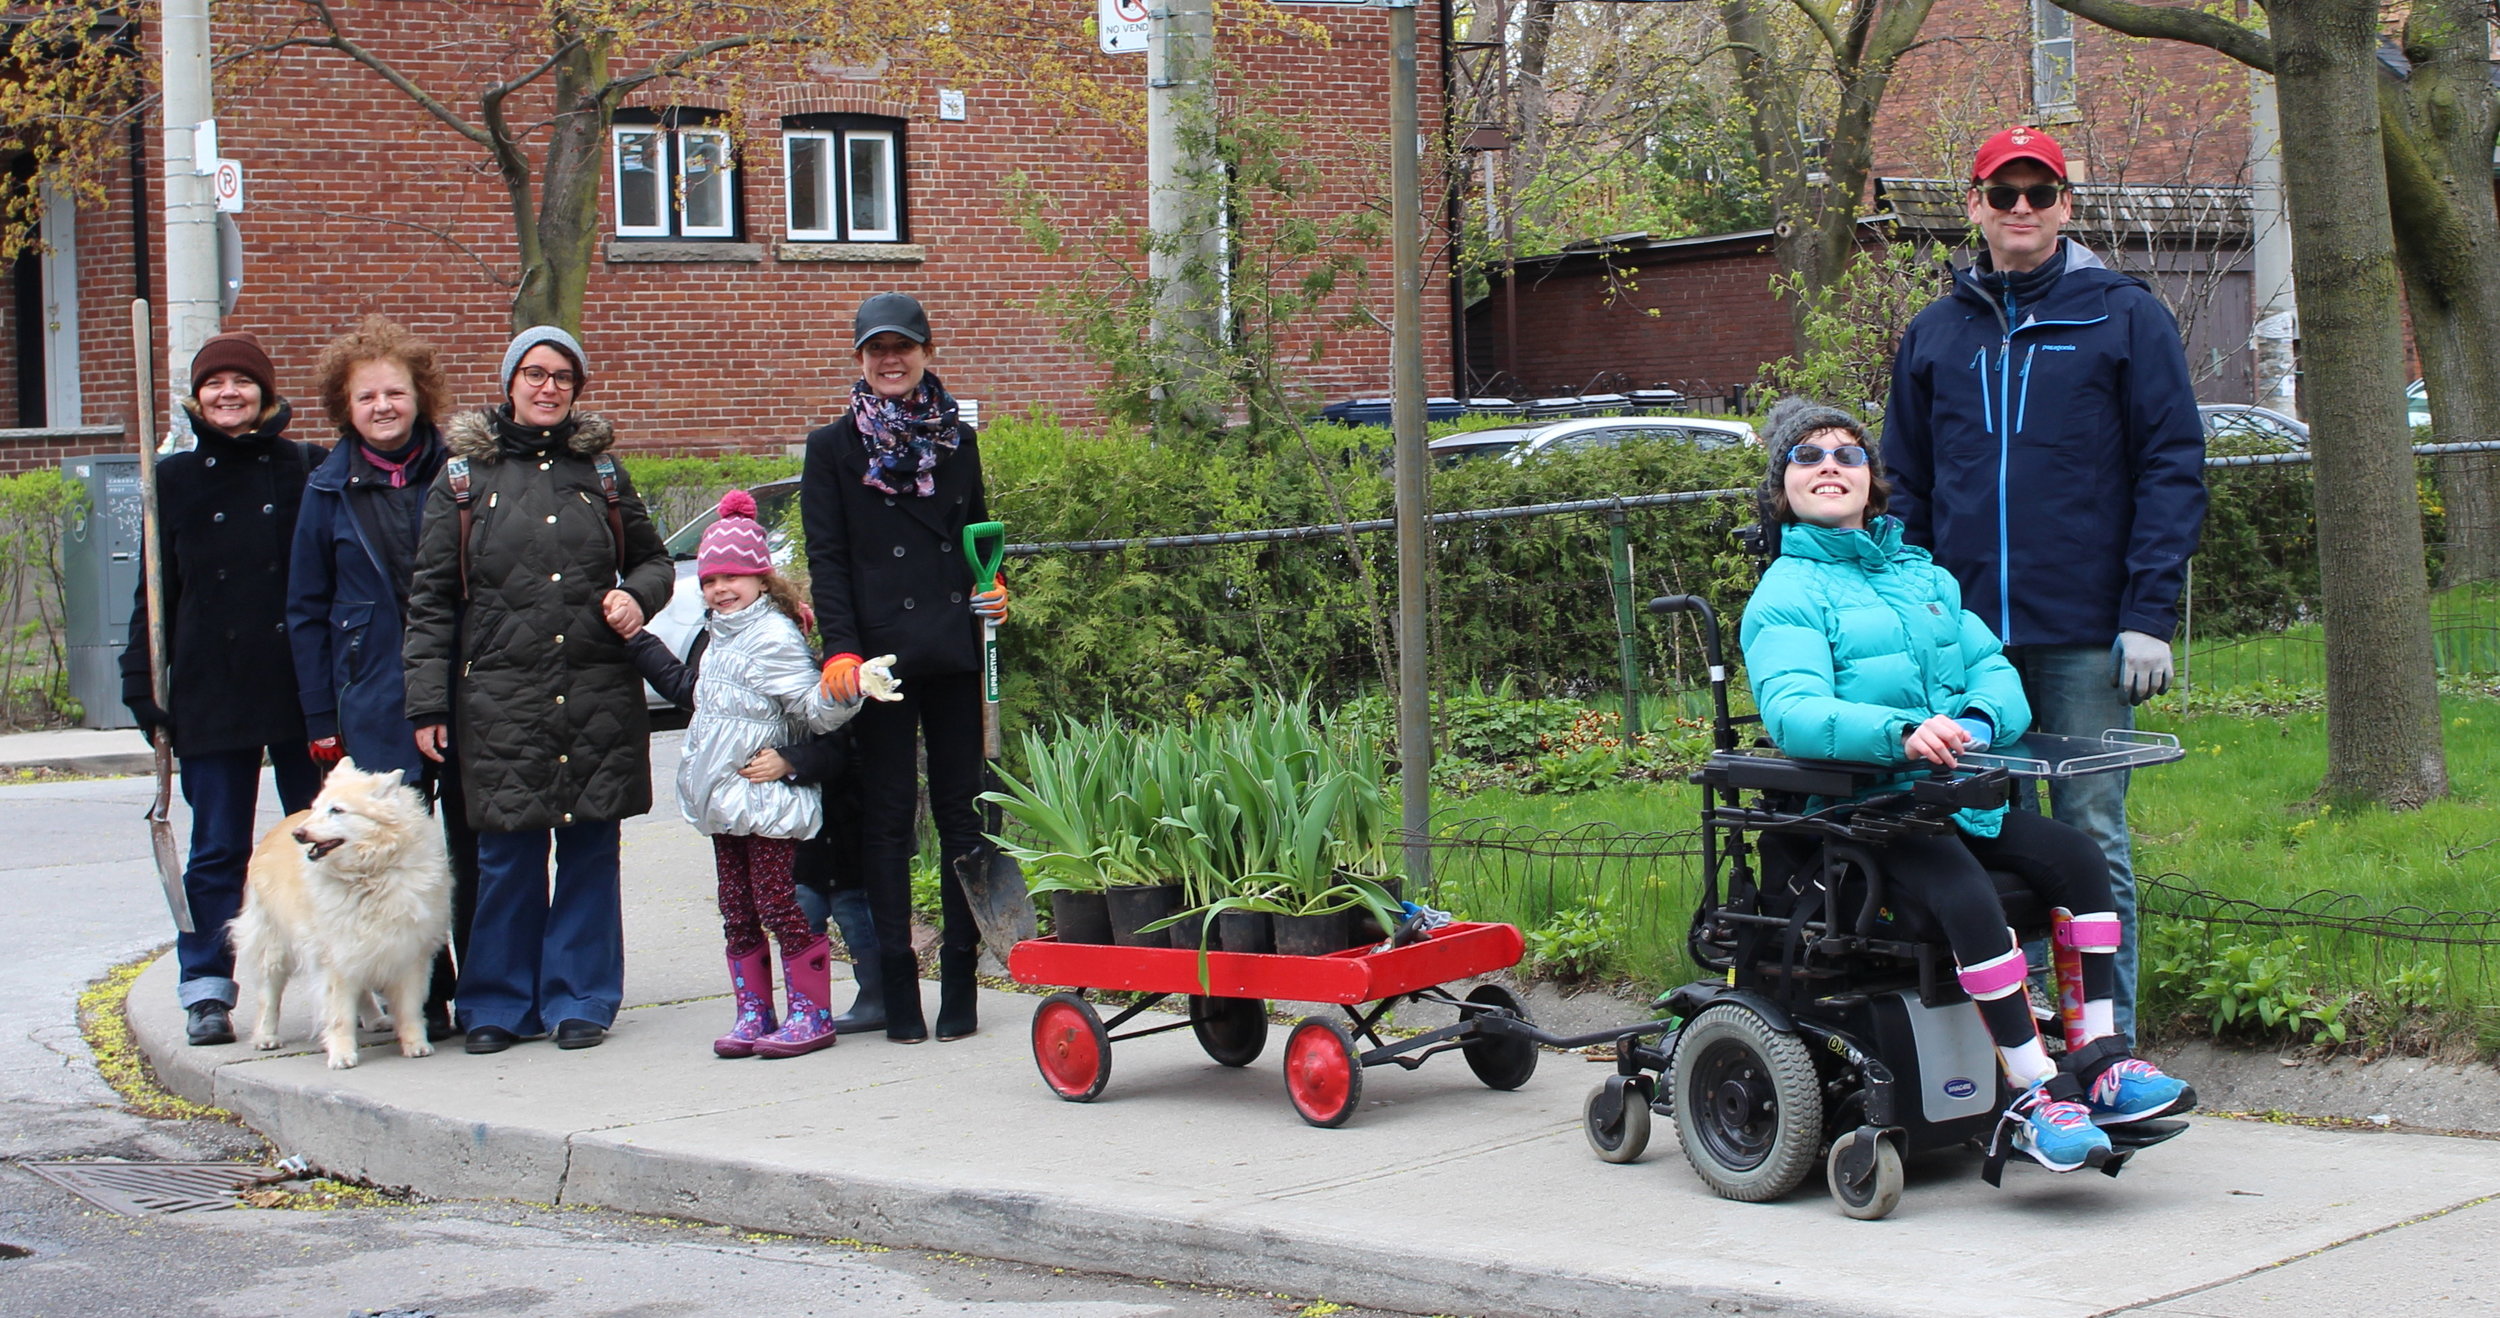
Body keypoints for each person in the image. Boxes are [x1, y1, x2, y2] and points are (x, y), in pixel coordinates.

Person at [1742, 398, 2192, 1171]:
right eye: (1807, 456)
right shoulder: (1787, 592)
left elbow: (1994, 672)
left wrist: (1981, 720)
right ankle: (2031, 1088)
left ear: (1872, 485)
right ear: (1781, 488)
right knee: (1969, 898)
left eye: (1848, 455)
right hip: (1865, 812)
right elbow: (1792, 711)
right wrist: (1900, 733)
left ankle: (2101, 1060)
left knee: (2079, 860)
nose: (1829, 467)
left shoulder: (1927, 578)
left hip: (1954, 799)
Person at [1880, 126, 2208, 1045]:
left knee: (2091, 835)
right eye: (2003, 192)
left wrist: (2149, 612)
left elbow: (2171, 466)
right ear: (1974, 204)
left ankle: (2106, 1046)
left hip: (2087, 635)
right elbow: (1909, 488)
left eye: (2040, 191)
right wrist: (1923, 616)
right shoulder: (1936, 333)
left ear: (2066, 205)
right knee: (1988, 835)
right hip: (1971, 641)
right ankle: (2015, 1057)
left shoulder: (2123, 315)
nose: (2021, 208)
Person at [402, 326, 673, 1055]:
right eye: (534, 374)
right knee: (507, 855)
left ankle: (581, 995)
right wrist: (427, 702)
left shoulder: (604, 475)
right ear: (510, 384)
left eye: (561, 376)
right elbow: (429, 600)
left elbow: (653, 562)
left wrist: (638, 598)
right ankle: (497, 1002)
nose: (548, 387)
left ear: (576, 389)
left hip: (594, 691)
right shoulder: (461, 481)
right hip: (499, 698)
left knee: (590, 847)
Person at [801, 293, 1009, 1044]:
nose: (890, 360)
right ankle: (897, 989)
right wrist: (842, 651)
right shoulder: (830, 449)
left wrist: (992, 588)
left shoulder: (959, 440)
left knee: (963, 815)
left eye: (904, 347)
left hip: (952, 646)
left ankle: (960, 982)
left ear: (926, 352)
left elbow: (978, 534)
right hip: (879, 661)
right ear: (859, 358)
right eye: (875, 349)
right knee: (889, 822)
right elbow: (827, 558)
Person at [613, 490, 884, 1057]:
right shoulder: (715, 639)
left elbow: (814, 711)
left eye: (734, 577)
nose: (720, 589)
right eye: (711, 580)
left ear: (762, 579)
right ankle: (753, 1011)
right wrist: (638, 643)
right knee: (735, 907)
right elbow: (700, 703)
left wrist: (849, 691)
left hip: (767, 802)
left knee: (778, 904)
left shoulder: (773, 637)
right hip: (725, 803)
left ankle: (810, 1013)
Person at [119, 331, 325, 1046]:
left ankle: (339, 979)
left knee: (321, 838)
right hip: (214, 690)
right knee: (216, 850)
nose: (228, 394)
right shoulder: (171, 480)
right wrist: (143, 688)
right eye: (215, 384)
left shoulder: (305, 468)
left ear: (266, 394)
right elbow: (155, 596)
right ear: (197, 397)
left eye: (242, 382)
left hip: (302, 689)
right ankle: (207, 985)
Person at [285, 316, 477, 1042]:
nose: (383, 407)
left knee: (466, 842)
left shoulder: (457, 472)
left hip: (462, 681)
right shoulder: (326, 490)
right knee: (387, 857)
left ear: (419, 395)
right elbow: (306, 610)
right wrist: (318, 717)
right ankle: (421, 997)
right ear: (346, 407)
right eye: (366, 397)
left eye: (395, 392)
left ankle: (482, 987)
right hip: (370, 693)